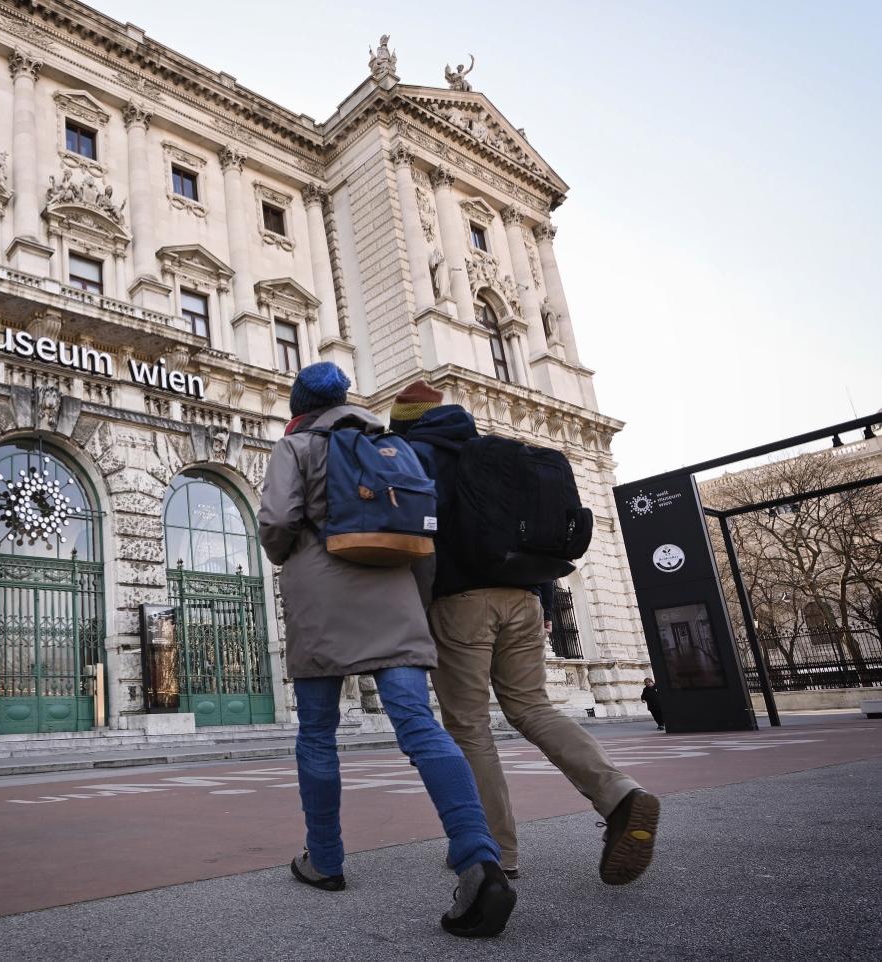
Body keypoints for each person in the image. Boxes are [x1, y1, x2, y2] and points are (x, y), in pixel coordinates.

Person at [258, 362, 516, 938]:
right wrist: (412, 604)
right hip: (396, 595)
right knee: (421, 727)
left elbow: (277, 522)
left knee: (318, 731)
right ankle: (478, 857)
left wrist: (288, 554)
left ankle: (324, 860)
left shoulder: (297, 446)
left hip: (323, 603)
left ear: (300, 404)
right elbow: (422, 533)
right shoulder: (394, 444)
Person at [399, 380, 660, 885]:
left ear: (406, 422)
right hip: (523, 597)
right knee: (533, 708)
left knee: (469, 726)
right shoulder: (494, 452)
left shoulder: (416, 455)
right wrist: (541, 598)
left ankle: (495, 850)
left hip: (461, 603)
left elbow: (417, 533)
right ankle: (620, 794)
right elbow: (532, 531)